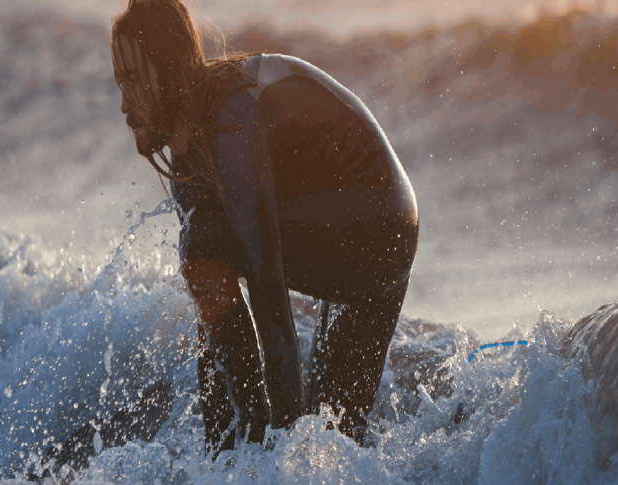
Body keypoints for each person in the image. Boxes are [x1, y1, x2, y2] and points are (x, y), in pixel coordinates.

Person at [111, 0, 418, 456]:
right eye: (120, 84)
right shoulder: (192, 145)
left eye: (134, 82)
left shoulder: (231, 123)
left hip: (373, 226)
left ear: (170, 70)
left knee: (202, 242)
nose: (123, 105)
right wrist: (216, 453)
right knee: (335, 444)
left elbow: (268, 296)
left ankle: (259, 448)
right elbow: (213, 324)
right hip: (382, 239)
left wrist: (274, 453)